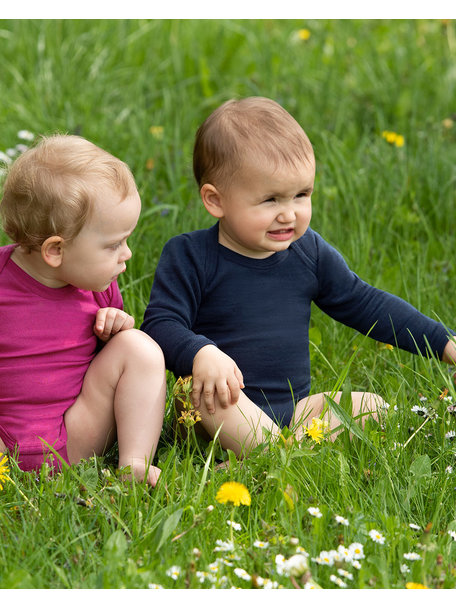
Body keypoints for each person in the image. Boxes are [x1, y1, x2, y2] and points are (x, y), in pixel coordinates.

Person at [141, 96, 456, 457]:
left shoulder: (308, 252)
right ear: (216, 200)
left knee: (372, 407)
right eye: (271, 199)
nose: (289, 214)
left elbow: (365, 303)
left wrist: (445, 342)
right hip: (216, 406)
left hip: (294, 410)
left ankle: (275, 453)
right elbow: (160, 324)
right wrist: (200, 352)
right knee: (207, 396)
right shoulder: (190, 255)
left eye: (301, 195)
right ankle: (283, 457)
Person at [0, 134, 166, 485]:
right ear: (56, 251)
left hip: (75, 435)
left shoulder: (98, 286)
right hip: (6, 443)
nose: (127, 254)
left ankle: (134, 463)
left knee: (138, 347)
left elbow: (109, 368)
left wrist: (116, 330)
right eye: (113, 244)